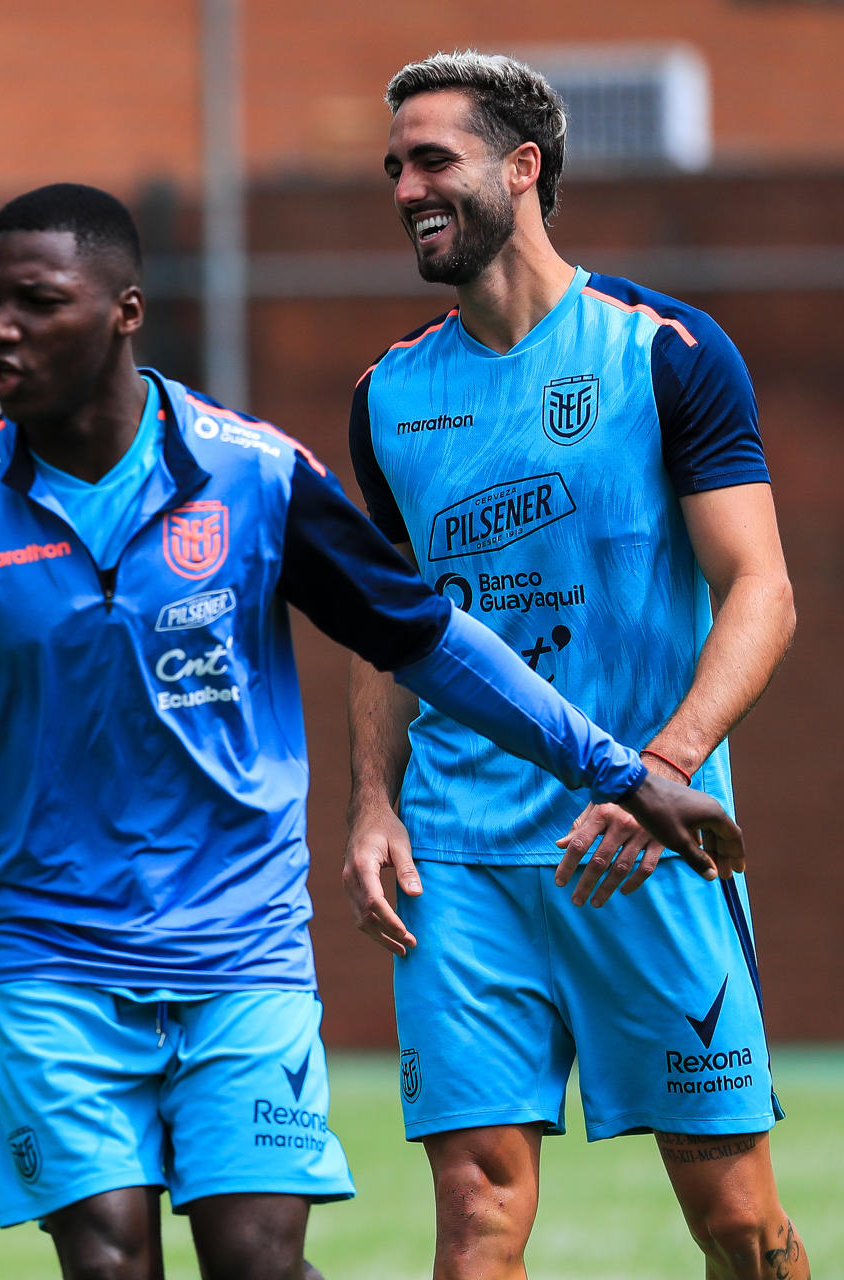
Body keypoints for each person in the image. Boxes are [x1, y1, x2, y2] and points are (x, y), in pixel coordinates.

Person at [0, 183, 744, 1280]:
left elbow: (430, 640)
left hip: (240, 950)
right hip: (55, 962)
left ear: (124, 309)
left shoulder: (256, 476)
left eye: (36, 301)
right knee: (110, 1260)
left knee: (257, 1259)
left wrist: (620, 768)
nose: (0, 329)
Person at [343, 51, 806, 1280]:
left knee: (741, 1225)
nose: (405, 187)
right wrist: (374, 801)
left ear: (522, 166)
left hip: (644, 837)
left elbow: (760, 588)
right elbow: (389, 625)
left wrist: (664, 763)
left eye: (432, 158)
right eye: (394, 166)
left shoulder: (666, 351)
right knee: (478, 1212)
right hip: (459, 857)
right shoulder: (388, 393)